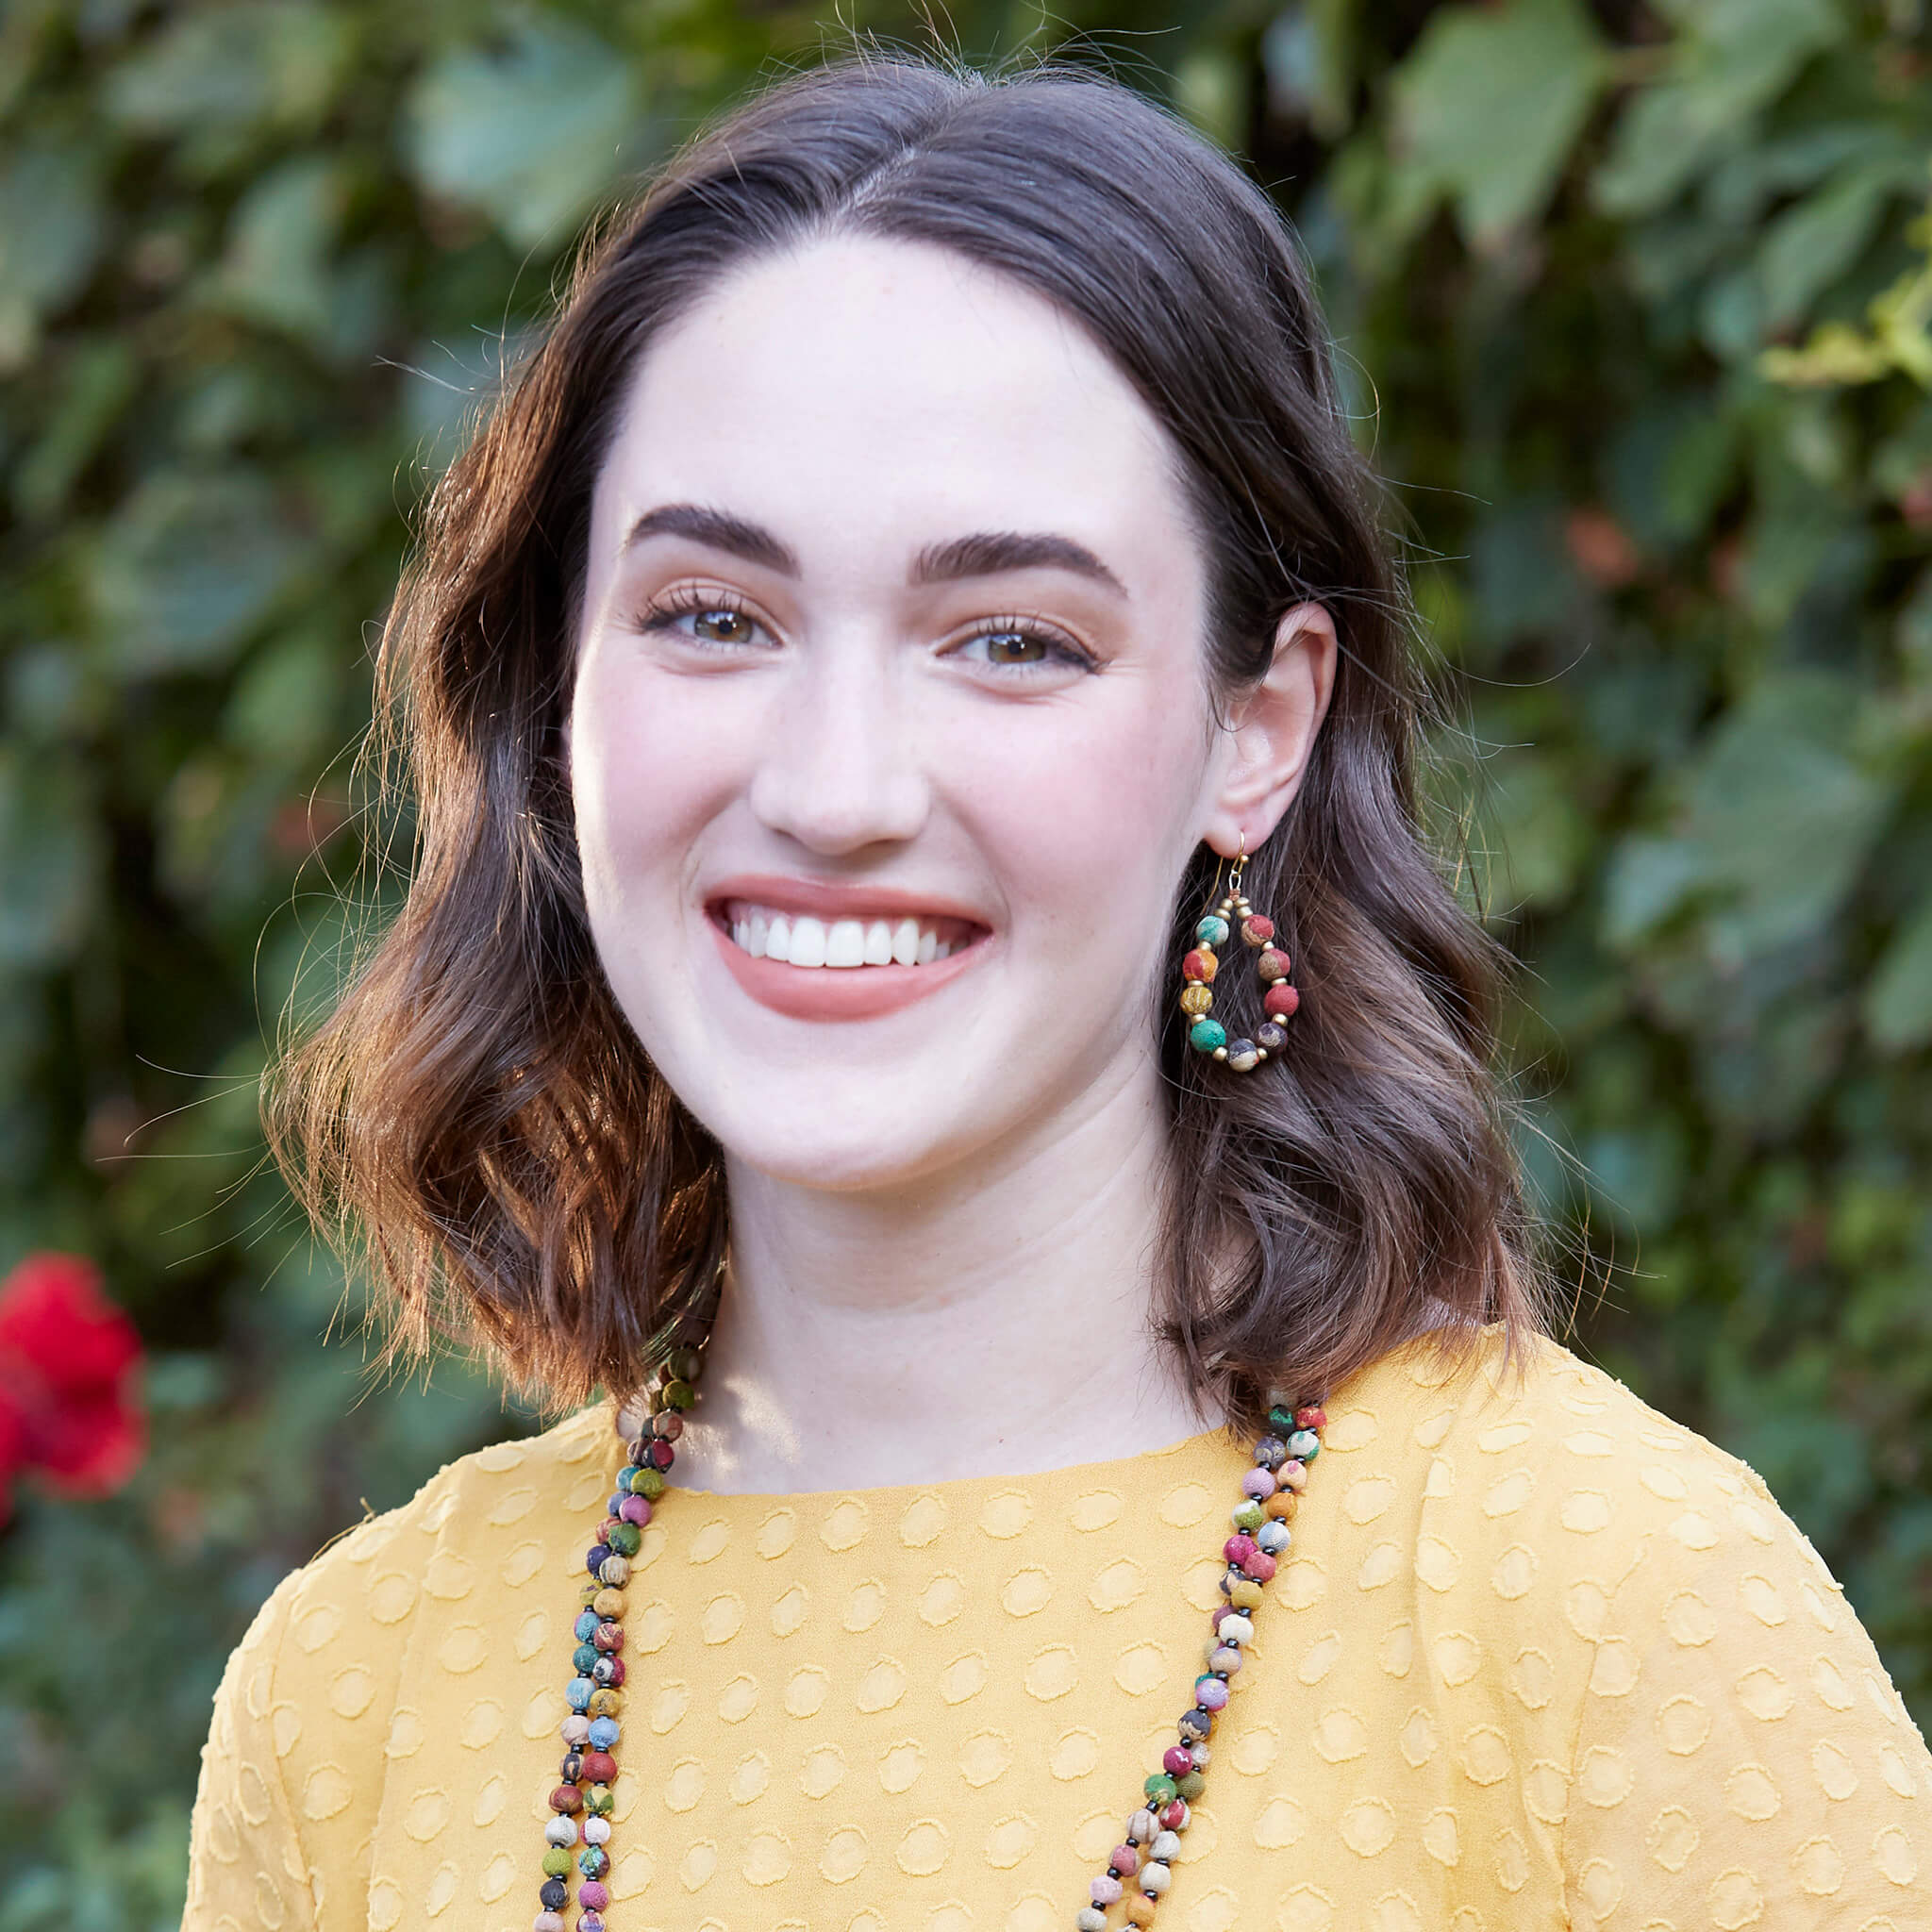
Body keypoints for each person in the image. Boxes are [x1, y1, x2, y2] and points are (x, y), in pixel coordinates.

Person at [182, 54, 1930, 1932]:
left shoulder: (1611, 1620)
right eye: (712, 616)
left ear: (1253, 732)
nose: (835, 786)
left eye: (1011, 640)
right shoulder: (357, 1701)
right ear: (559, 693)